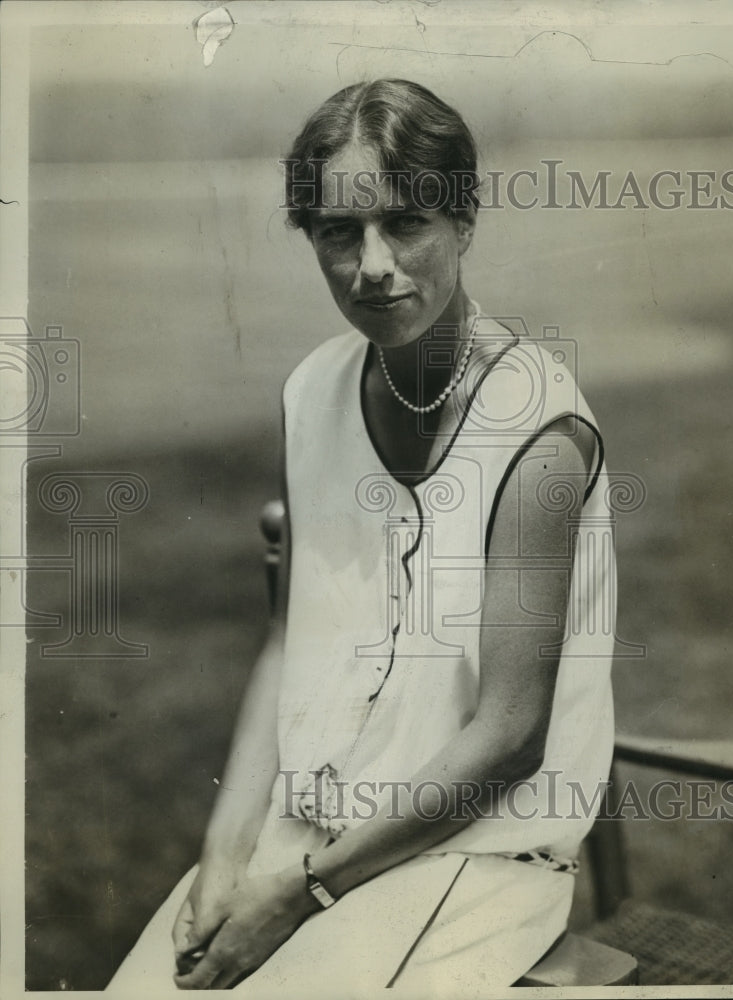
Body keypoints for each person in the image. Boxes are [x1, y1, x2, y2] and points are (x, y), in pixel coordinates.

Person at [107, 78, 615, 996]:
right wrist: (226, 856)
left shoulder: (537, 428)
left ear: (463, 221)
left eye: (405, 223)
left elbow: (509, 735)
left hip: (471, 858)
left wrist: (296, 896)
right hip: (301, 840)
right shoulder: (313, 391)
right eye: (340, 233)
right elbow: (286, 638)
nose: (373, 264)